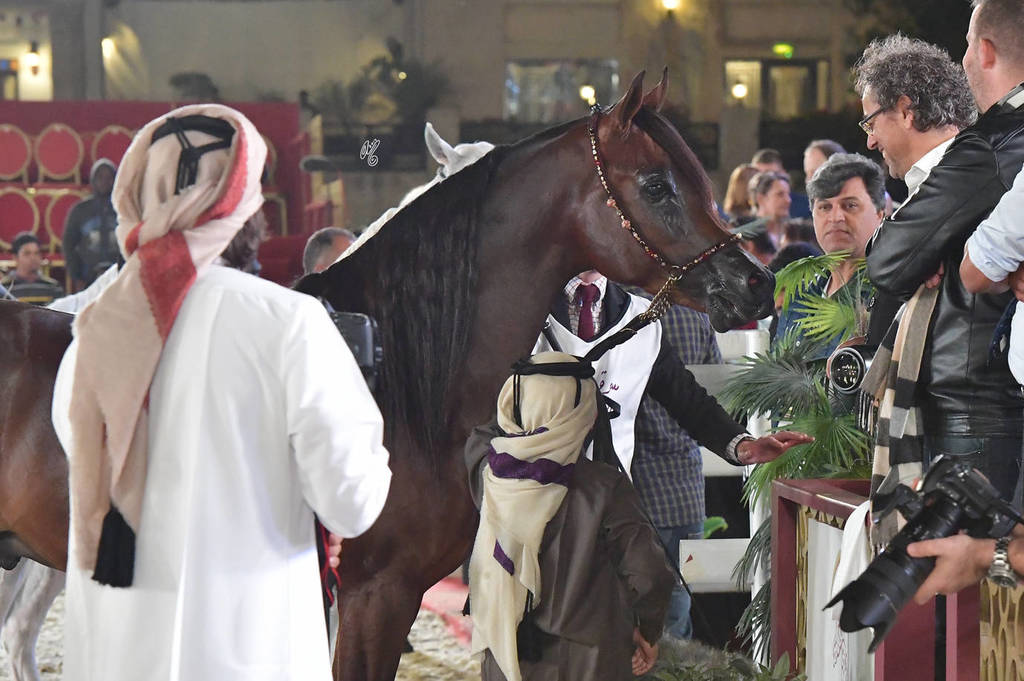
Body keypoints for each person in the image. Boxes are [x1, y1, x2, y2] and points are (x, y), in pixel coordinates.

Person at [51, 104, 392, 681]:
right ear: (242, 205)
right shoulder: (289, 322)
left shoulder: (90, 334)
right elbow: (352, 505)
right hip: (250, 652)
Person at [863, 17, 1024, 506]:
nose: (965, 59)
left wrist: (931, 247)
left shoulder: (994, 143)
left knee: (976, 572)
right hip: (971, 404)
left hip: (974, 412)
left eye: (969, 45)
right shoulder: (993, 141)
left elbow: (890, 263)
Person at [465, 352, 675, 681]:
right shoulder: (607, 488)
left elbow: (483, 432)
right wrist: (648, 631)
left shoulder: (487, 473)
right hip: (591, 659)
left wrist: (526, 394)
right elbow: (649, 575)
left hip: (505, 654)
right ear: (586, 415)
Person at [535, 271, 812, 477]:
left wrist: (741, 445)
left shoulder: (640, 316)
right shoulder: (522, 306)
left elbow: (686, 397)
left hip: (608, 498)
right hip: (529, 492)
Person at [629, 302, 722, 641]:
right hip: (682, 489)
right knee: (676, 612)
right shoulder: (696, 316)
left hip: (631, 486)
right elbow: (716, 393)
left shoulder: (620, 310)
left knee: (625, 614)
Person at [774, 153, 885, 358]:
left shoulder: (888, 292)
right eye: (824, 207)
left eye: (850, 205)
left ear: (881, 214)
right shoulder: (799, 292)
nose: (835, 217)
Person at [62, 158, 120, 293]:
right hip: (87, 275)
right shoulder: (80, 210)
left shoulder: (123, 208)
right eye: (100, 177)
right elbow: (68, 245)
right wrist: (76, 276)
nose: (104, 181)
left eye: (109, 177)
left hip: (118, 274)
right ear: (93, 180)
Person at [0, 233, 63, 305]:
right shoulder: (5, 288)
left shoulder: (53, 287)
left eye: (36, 253)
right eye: (27, 253)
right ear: (15, 257)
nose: (33, 258)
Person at [748, 171, 791, 246]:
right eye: (780, 194)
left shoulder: (793, 233)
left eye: (788, 194)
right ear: (760, 199)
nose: (788, 200)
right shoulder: (748, 237)